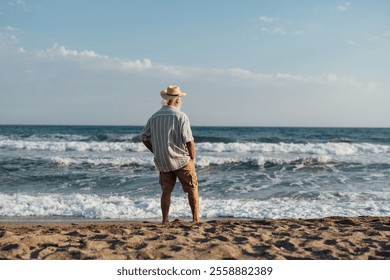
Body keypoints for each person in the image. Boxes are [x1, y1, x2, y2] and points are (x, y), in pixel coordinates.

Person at [141, 85, 201, 223]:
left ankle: (165, 220)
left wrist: (156, 151)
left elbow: (144, 137)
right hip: (181, 160)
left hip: (163, 160)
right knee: (192, 188)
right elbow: (189, 141)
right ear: (177, 100)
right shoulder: (181, 116)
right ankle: (195, 219)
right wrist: (192, 158)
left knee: (166, 191)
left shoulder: (154, 117)